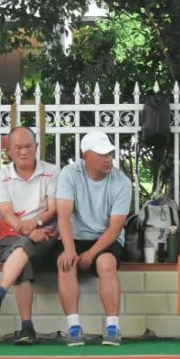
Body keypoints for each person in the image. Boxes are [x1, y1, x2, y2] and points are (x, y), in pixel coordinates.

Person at [0, 127, 60, 345]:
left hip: (45, 234)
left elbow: (53, 209)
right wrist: (29, 230)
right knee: (23, 259)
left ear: (36, 147)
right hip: (13, 235)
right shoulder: (1, 176)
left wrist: (37, 223)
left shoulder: (52, 172)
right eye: (18, 148)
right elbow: (7, 213)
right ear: (9, 151)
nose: (23, 152)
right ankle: (27, 328)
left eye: (28, 146)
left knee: (25, 245)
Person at [56, 131, 132, 346]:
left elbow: (114, 229)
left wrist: (91, 254)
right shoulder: (69, 173)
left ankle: (113, 327)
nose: (107, 159)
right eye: (101, 154)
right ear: (85, 156)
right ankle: (74, 328)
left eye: (109, 153)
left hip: (105, 238)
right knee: (65, 263)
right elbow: (63, 215)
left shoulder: (122, 182)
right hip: (76, 236)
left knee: (105, 262)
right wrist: (69, 249)